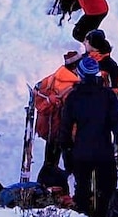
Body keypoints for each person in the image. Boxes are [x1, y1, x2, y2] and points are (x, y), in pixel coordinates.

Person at [60, 57, 118, 217]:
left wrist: (67, 152)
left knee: (82, 189)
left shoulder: (73, 97)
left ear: (80, 74)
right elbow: (117, 125)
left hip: (82, 150)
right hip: (104, 150)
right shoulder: (108, 95)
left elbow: (66, 128)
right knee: (107, 189)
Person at [33, 50, 83, 183]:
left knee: (50, 161)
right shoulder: (71, 84)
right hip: (62, 129)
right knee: (69, 162)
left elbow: (37, 88)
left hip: (52, 129)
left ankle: (43, 184)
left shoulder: (55, 76)